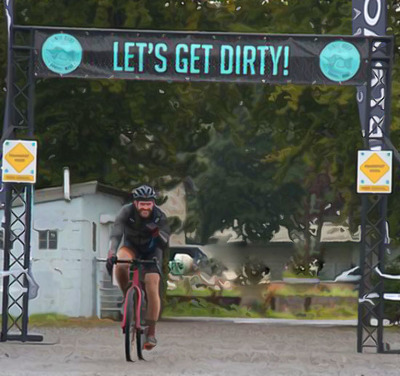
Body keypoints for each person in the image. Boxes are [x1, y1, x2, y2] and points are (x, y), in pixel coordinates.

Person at [106, 184, 170, 350]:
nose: (145, 207)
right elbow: (116, 232)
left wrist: (157, 234)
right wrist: (111, 252)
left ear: (153, 204)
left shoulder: (160, 216)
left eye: (148, 204)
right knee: (120, 264)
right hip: (131, 246)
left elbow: (165, 244)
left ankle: (151, 332)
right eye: (142, 204)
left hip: (152, 251)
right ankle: (127, 294)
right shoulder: (126, 212)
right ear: (135, 203)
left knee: (152, 285)